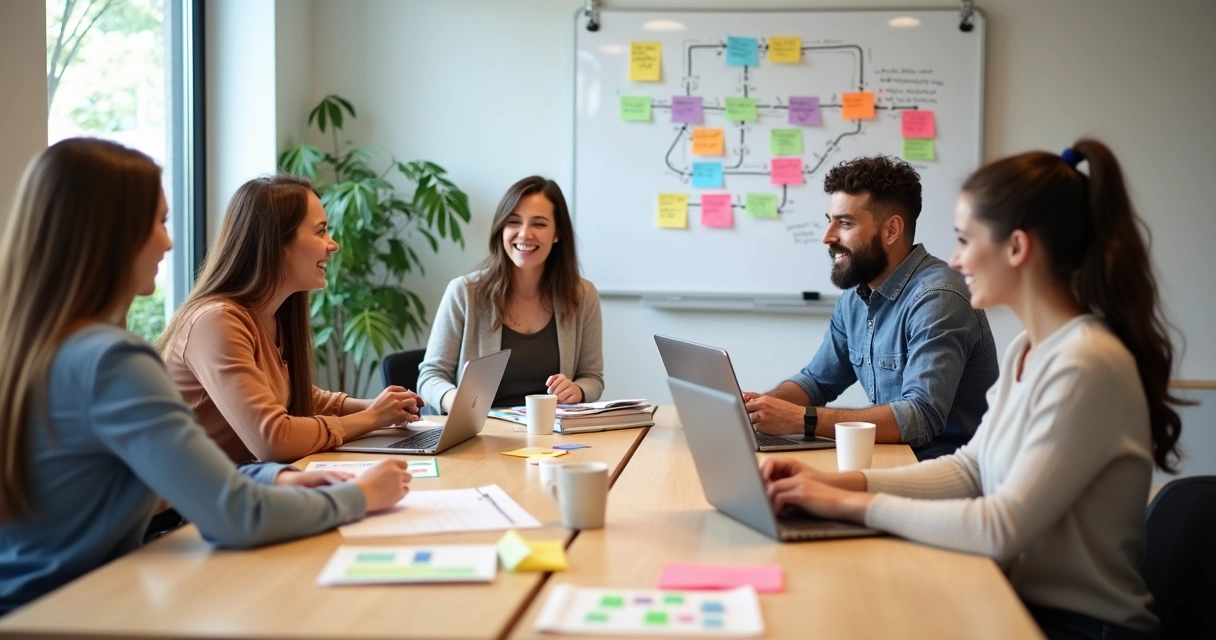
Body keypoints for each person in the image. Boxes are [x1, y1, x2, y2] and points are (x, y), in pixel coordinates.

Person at [761, 140, 1183, 639]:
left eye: (965, 240)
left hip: (1078, 627)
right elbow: (970, 469)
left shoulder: (1085, 363)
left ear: (1017, 248)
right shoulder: (1031, 348)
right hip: (1013, 598)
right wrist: (832, 484)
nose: (956, 261)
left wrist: (847, 504)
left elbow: (1000, 527)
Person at [0, 139, 412, 615]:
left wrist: (267, 478)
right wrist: (359, 495)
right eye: (158, 222)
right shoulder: (112, 361)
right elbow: (235, 515)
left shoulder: (36, 347)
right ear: (109, 235)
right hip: (72, 611)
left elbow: (154, 483)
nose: (169, 242)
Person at [744, 155, 999, 460]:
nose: (828, 237)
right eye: (830, 222)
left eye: (845, 223)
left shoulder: (938, 297)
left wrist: (802, 420)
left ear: (891, 231)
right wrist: (759, 409)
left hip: (946, 471)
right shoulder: (856, 297)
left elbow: (921, 416)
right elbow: (816, 382)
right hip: (891, 458)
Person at [158, 175, 422, 464]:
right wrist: (372, 417)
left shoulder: (271, 315)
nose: (332, 245)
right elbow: (272, 439)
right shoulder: (214, 321)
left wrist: (379, 407)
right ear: (277, 243)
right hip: (183, 507)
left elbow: (298, 396)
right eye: (320, 231)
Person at [418, 176, 603, 411]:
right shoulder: (464, 292)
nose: (524, 234)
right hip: (480, 433)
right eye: (514, 222)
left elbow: (592, 378)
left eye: (539, 224)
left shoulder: (583, 296)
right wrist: (456, 400)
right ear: (501, 228)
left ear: (558, 233)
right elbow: (430, 376)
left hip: (551, 436)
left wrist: (578, 390)